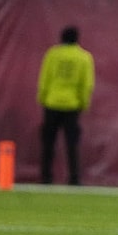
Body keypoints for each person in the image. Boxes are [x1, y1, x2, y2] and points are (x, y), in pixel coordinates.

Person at [37, 26, 95, 185]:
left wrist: (42, 98)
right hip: (72, 105)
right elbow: (87, 84)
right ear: (77, 38)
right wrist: (84, 103)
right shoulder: (84, 57)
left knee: (48, 143)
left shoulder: (52, 54)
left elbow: (44, 78)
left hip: (52, 102)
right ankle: (74, 178)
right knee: (72, 144)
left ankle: (46, 177)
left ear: (61, 38)